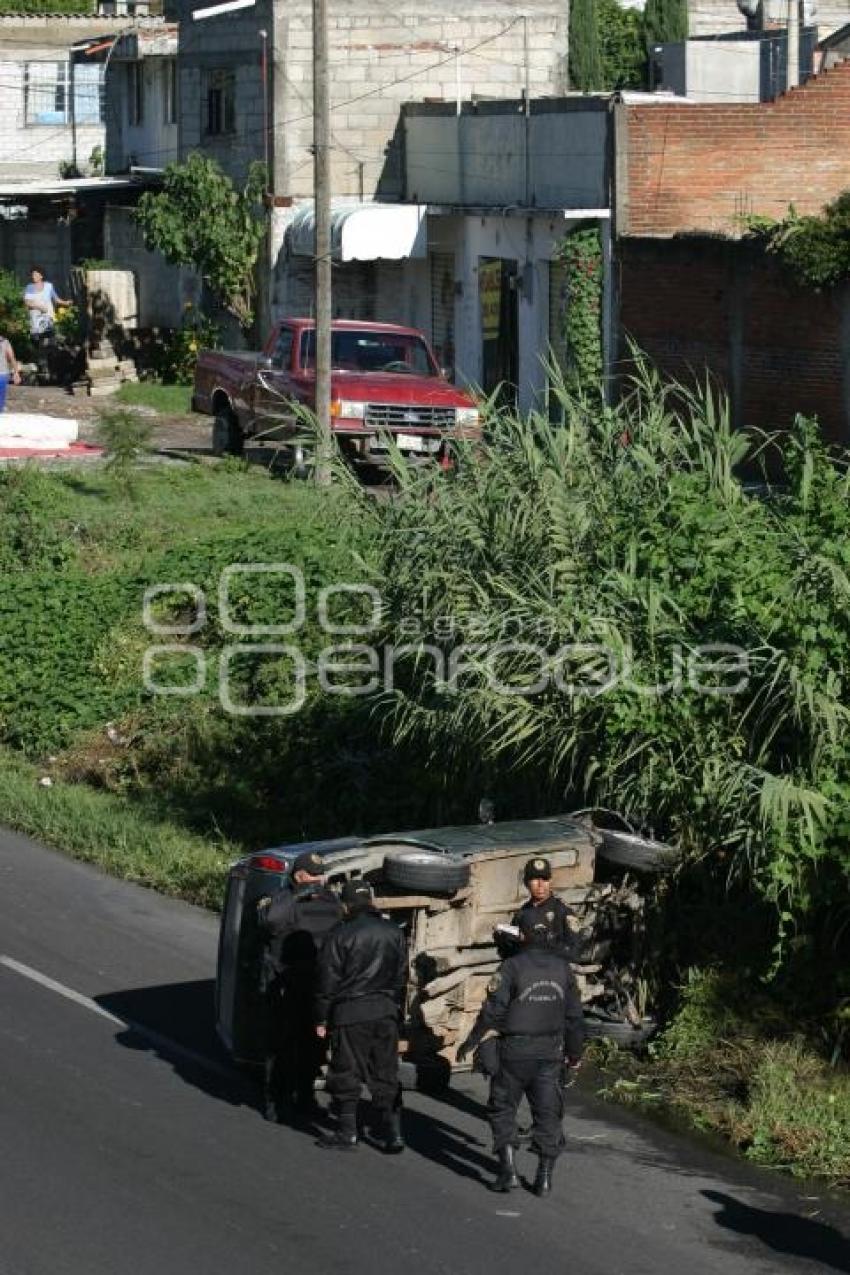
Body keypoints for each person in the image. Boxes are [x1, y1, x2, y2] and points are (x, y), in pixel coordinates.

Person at [457, 910, 585, 1197]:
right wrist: (575, 1054)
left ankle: (508, 1172)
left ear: (522, 935)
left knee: (503, 1108)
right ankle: (544, 1178)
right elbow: (575, 1017)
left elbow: (492, 1011)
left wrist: (472, 1040)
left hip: (514, 1052)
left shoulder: (511, 967)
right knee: (548, 1114)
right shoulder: (563, 969)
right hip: (550, 1052)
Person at [314, 880, 408, 1153]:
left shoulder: (340, 934)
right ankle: (394, 1134)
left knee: (347, 1072)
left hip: (351, 1013)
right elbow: (402, 977)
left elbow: (326, 981)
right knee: (386, 1073)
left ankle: (347, 1132)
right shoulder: (394, 932)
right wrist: (396, 1011)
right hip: (385, 1011)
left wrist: (321, 1019)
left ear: (346, 904)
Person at [257, 850, 343, 1124]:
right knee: (281, 1047)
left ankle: (305, 1097)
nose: (320, 879)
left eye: (322, 874)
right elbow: (270, 921)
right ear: (299, 876)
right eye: (314, 875)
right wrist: (297, 895)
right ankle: (275, 1101)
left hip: (317, 987)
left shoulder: (330, 899)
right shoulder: (281, 899)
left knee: (313, 1048)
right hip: (286, 986)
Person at [511, 856, 576, 954]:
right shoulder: (522, 914)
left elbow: (575, 948)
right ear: (526, 883)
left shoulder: (563, 910)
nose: (540, 884)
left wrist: (543, 943)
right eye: (535, 879)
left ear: (550, 881)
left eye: (545, 879)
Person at [23, 268, 70, 382]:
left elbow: (56, 299)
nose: (33, 276)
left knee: (49, 343)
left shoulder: (49, 286)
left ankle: (48, 369)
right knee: (38, 344)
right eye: (32, 274)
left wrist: (66, 303)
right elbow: (27, 303)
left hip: (47, 319)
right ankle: (42, 367)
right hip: (35, 322)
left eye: (35, 274)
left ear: (41, 276)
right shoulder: (29, 287)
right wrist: (39, 307)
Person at [0, 333, 21, 412]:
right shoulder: (5, 342)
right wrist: (16, 373)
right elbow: (12, 358)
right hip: (2, 375)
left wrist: (16, 373)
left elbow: (12, 358)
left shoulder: (5, 342)